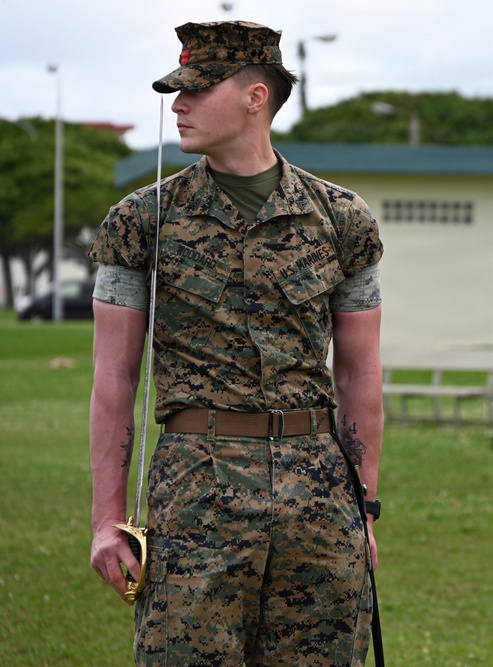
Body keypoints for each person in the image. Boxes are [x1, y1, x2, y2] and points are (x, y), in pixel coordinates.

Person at [87, 20, 383, 666]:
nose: (178, 105)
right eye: (175, 90)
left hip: (317, 498)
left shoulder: (342, 220)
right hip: (196, 496)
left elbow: (360, 374)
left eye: (196, 90)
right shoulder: (140, 222)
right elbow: (114, 377)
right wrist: (106, 519)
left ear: (256, 97)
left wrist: (364, 507)